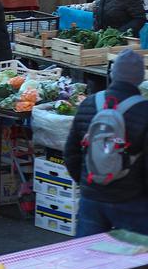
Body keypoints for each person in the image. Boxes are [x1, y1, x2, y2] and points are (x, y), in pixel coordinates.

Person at [62, 50, 148, 236]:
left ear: (113, 73)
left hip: (92, 197)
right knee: (134, 260)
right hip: (131, 201)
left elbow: (71, 153)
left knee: (88, 257)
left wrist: (88, 182)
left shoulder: (90, 103)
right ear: (140, 78)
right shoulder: (144, 111)